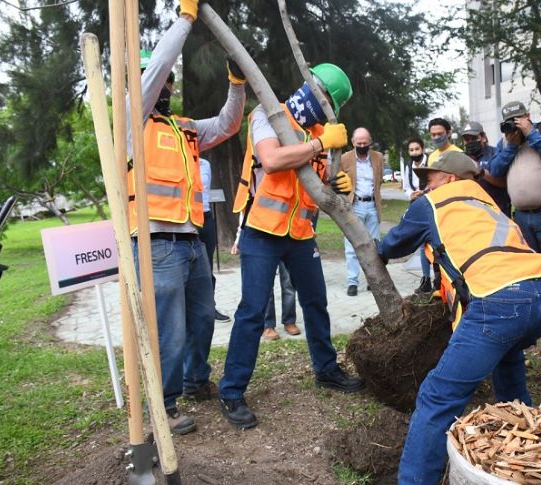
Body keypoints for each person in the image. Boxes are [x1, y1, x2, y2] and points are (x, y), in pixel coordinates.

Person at [375, 151, 541, 484]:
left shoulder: (433, 203)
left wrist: (377, 248)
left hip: (500, 301)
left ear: (449, 178)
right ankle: (528, 462)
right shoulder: (491, 205)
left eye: (429, 178)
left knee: (437, 397)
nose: (425, 185)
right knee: (509, 374)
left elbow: (392, 245)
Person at [221, 62, 364, 430]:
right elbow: (271, 161)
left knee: (316, 303)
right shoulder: (269, 114)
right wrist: (319, 144)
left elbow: (318, 185)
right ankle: (232, 391)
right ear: (310, 89)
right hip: (262, 232)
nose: (323, 107)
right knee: (252, 311)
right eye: (323, 98)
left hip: (300, 235)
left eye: (330, 104)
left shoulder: (320, 132)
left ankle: (326, 370)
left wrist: (338, 183)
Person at [127, 0, 246, 435]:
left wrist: (236, 83)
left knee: (200, 320)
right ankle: (166, 405)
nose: (165, 87)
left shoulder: (182, 128)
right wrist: (185, 20)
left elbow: (229, 124)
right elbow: (156, 67)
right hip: (156, 245)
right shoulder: (129, 121)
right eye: (159, 82)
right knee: (170, 332)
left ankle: (196, 381)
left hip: (193, 243)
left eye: (168, 84)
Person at [488, 101, 541, 276]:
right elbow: (494, 170)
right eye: (510, 121)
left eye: (518, 119)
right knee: (530, 269)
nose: (515, 125)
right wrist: (511, 147)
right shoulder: (505, 142)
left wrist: (532, 135)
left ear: (527, 117)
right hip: (521, 216)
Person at [340, 127, 383, 296]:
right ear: (353, 143)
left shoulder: (378, 158)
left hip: (372, 205)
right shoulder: (345, 159)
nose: (362, 145)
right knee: (351, 245)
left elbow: (378, 182)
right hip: (354, 205)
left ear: (370, 142)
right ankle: (352, 282)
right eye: (359, 143)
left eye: (365, 143)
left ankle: (373, 280)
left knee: (374, 245)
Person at [197, 158, 231, 322]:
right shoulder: (176, 159)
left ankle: (210, 307)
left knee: (208, 266)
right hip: (187, 219)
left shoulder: (205, 164)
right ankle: (189, 310)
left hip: (206, 215)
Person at [401, 137, 433, 294]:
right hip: (417, 205)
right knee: (422, 243)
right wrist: (411, 194)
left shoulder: (431, 161)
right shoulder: (408, 166)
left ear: (423, 149)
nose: (414, 152)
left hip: (432, 204)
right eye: (411, 150)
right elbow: (405, 187)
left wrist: (426, 191)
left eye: (417, 149)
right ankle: (426, 279)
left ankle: (440, 277)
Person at [461, 120, 511, 217]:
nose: (470, 142)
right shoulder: (461, 157)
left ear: (483, 137)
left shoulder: (496, 154)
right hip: (472, 212)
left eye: (474, 138)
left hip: (497, 210)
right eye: (467, 139)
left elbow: (504, 183)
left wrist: (480, 170)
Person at [263, 262, 299, 340]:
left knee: (289, 284)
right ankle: (268, 324)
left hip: (287, 250)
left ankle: (289, 321)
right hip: (265, 250)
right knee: (266, 286)